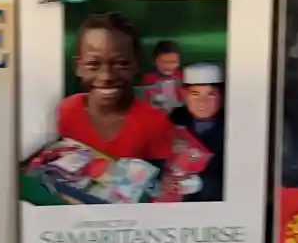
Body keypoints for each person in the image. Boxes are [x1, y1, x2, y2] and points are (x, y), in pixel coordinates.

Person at [55, 13, 175, 164]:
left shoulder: (155, 123)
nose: (107, 76)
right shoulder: (67, 111)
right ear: (78, 67)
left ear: (137, 65)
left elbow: (163, 174)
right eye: (93, 64)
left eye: (121, 63)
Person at [168, 63, 226, 202]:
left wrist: (202, 183)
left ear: (222, 95)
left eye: (211, 94)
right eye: (195, 94)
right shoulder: (171, 123)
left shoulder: (234, 127)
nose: (202, 102)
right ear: (184, 94)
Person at [139, 40, 183, 113]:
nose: (168, 66)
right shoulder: (147, 79)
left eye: (173, 62)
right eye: (163, 62)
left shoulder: (184, 78)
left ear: (179, 62)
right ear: (154, 61)